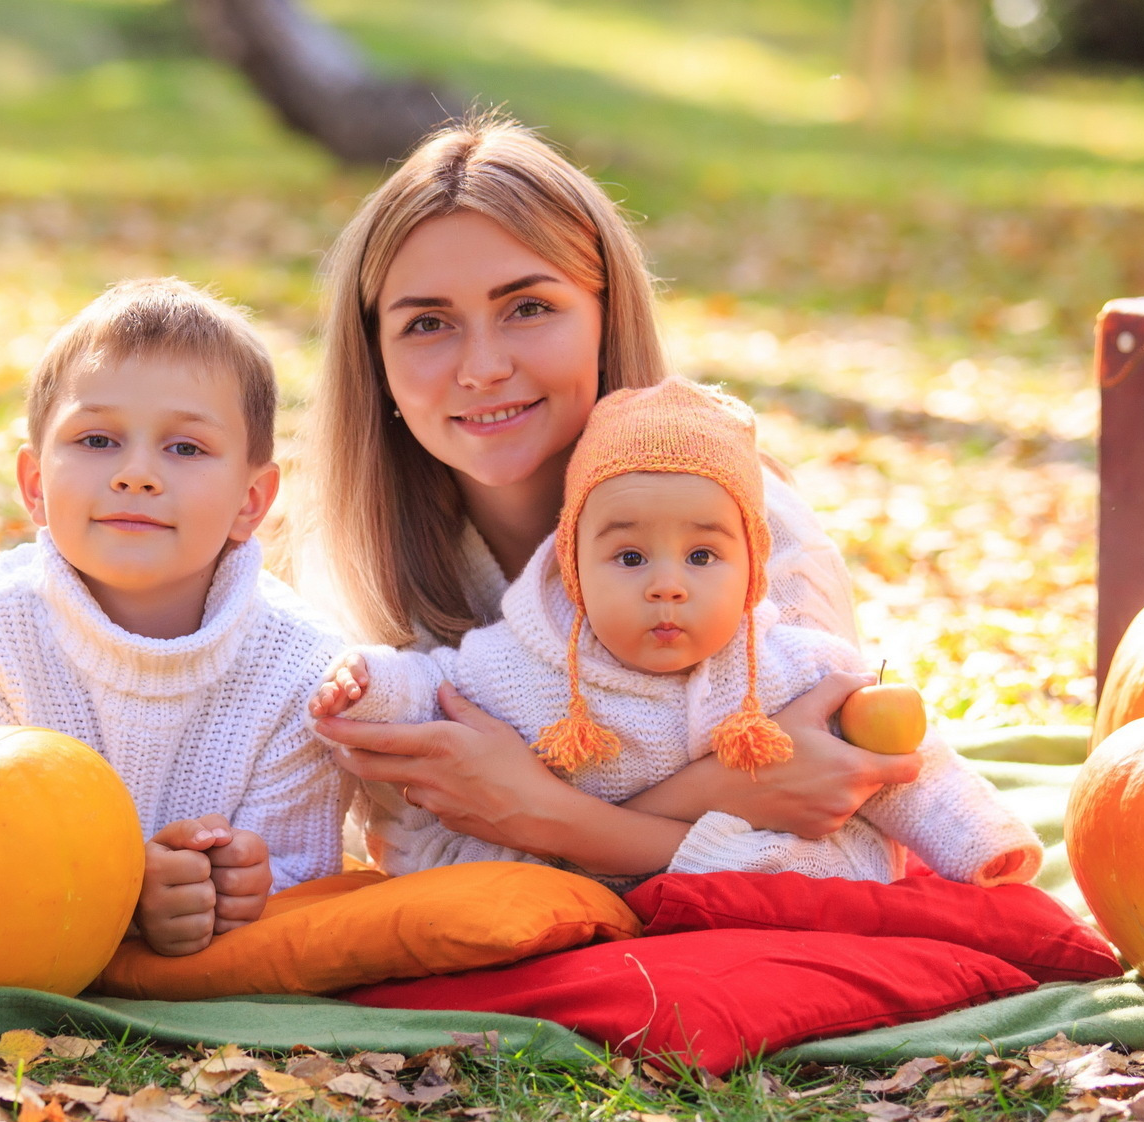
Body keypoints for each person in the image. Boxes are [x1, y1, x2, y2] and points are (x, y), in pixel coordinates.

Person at [299, 113, 924, 878]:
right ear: (378, 363)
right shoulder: (357, 584)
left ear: (605, 318)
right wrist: (716, 796)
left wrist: (540, 813)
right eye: (428, 324)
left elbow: (837, 824)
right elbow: (421, 854)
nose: (483, 367)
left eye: (528, 307)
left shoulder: (747, 520)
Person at [0, 279, 350, 956]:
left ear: (251, 500)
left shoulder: (305, 674)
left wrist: (242, 889)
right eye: (97, 439)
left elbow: (302, 871)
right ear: (34, 486)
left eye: (185, 449)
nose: (137, 473)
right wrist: (118, 898)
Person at [312, 377, 1042, 887]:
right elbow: (438, 690)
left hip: (743, 867)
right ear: (573, 570)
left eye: (702, 556)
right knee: (499, 884)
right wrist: (370, 685)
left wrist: (984, 842)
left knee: (818, 871)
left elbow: (912, 767)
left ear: (753, 569)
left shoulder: (795, 665)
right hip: (570, 878)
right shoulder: (529, 664)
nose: (668, 584)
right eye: (629, 557)